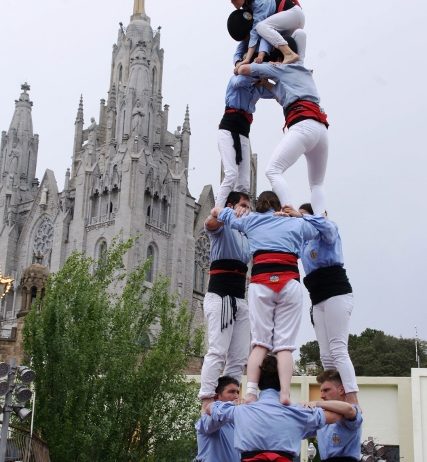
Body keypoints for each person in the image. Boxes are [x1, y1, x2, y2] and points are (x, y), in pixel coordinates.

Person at [214, 190, 318, 405]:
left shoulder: (250, 220)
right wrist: (297, 216)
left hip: (261, 282)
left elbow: (218, 212)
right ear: (279, 206)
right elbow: (317, 228)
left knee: (260, 343)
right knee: (285, 346)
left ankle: (251, 392)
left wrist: (237, 211)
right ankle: (285, 394)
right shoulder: (294, 223)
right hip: (289, 280)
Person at [237, 34, 329, 215]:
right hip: (321, 129)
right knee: (317, 184)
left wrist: (254, 61)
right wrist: (268, 84)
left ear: (278, 58)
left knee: (273, 170)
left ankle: (288, 212)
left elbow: (244, 71)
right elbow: (300, 35)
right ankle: (321, 221)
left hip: (303, 126)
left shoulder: (281, 68)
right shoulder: (301, 70)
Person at [207, 355, 356, 462]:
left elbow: (210, 407)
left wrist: (235, 404)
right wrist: (317, 404)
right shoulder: (299, 412)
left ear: (258, 382)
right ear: (285, 381)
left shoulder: (239, 410)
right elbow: (341, 414)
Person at [284, 203, 358, 404]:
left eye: (305, 217)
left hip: (336, 291)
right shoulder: (303, 242)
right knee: (325, 355)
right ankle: (334, 397)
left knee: (338, 349)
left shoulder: (327, 231)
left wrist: (303, 216)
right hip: (317, 298)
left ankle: (352, 399)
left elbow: (328, 227)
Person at [198, 191, 251, 410]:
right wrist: (225, 212)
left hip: (240, 299)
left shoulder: (246, 232)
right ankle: (207, 398)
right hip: (220, 297)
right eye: (244, 205)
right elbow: (209, 223)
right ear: (231, 205)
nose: (247, 209)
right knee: (218, 351)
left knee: (238, 356)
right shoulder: (222, 225)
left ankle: (230, 397)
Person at [216, 74, 274, 208]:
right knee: (231, 174)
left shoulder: (257, 89)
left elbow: (276, 92)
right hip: (228, 130)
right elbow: (239, 81)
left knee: (244, 183)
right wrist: (258, 77)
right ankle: (218, 210)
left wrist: (278, 77)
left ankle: (239, 214)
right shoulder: (236, 79)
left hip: (244, 133)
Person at [307, 370, 363, 461]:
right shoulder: (323, 414)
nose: (322, 395)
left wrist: (317, 403)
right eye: (321, 391)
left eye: (326, 390)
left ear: (341, 390)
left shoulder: (351, 409)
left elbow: (349, 410)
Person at [195, 376, 241, 462]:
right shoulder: (206, 419)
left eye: (237, 392)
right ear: (217, 396)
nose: (236, 396)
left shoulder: (233, 423)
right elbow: (215, 418)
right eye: (231, 392)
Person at [228, 1, 277, 68]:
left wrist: (260, 56)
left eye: (247, 37)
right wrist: (237, 63)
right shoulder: (245, 41)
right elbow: (238, 52)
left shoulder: (260, 29)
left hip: (269, 54)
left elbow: (264, 40)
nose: (247, 40)